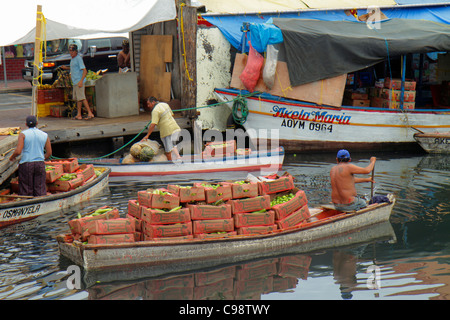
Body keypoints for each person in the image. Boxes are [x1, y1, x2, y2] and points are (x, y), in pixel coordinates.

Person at [9, 116, 52, 197]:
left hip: (26, 164)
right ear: (37, 123)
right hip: (40, 164)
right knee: (40, 189)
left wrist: (12, 157)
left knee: (26, 189)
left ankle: (27, 204)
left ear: (26, 124)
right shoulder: (45, 135)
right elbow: (49, 153)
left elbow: (18, 151)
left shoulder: (23, 134)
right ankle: (40, 204)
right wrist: (41, 159)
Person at [141, 96, 182, 161]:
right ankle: (178, 157)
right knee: (173, 146)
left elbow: (153, 124)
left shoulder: (155, 111)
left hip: (167, 131)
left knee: (168, 150)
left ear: (153, 102)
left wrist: (147, 135)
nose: (148, 106)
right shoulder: (165, 104)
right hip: (175, 128)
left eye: (149, 104)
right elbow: (172, 114)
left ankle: (171, 163)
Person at [60, 44, 95, 120]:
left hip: (79, 81)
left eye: (72, 51)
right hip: (75, 81)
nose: (71, 53)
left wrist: (81, 81)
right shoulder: (72, 59)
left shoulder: (78, 58)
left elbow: (84, 71)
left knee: (82, 97)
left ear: (76, 51)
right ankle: (79, 114)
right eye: (70, 51)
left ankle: (90, 113)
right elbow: (74, 68)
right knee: (78, 98)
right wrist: (66, 68)